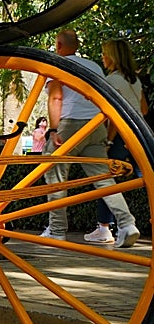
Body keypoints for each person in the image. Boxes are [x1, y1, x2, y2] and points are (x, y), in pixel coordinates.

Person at [41, 29, 140, 246]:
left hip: (70, 124)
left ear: (58, 45)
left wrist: (53, 129)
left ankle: (57, 230)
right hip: (95, 126)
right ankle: (127, 224)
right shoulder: (94, 66)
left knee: (55, 174)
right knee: (103, 178)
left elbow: (56, 98)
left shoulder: (57, 64)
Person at [86, 38, 147, 244]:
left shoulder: (111, 80)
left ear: (112, 57)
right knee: (145, 178)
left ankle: (104, 228)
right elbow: (144, 109)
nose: (102, 58)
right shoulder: (134, 80)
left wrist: (109, 141)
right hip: (139, 133)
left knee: (107, 180)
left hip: (120, 135)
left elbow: (113, 116)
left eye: (105, 54)